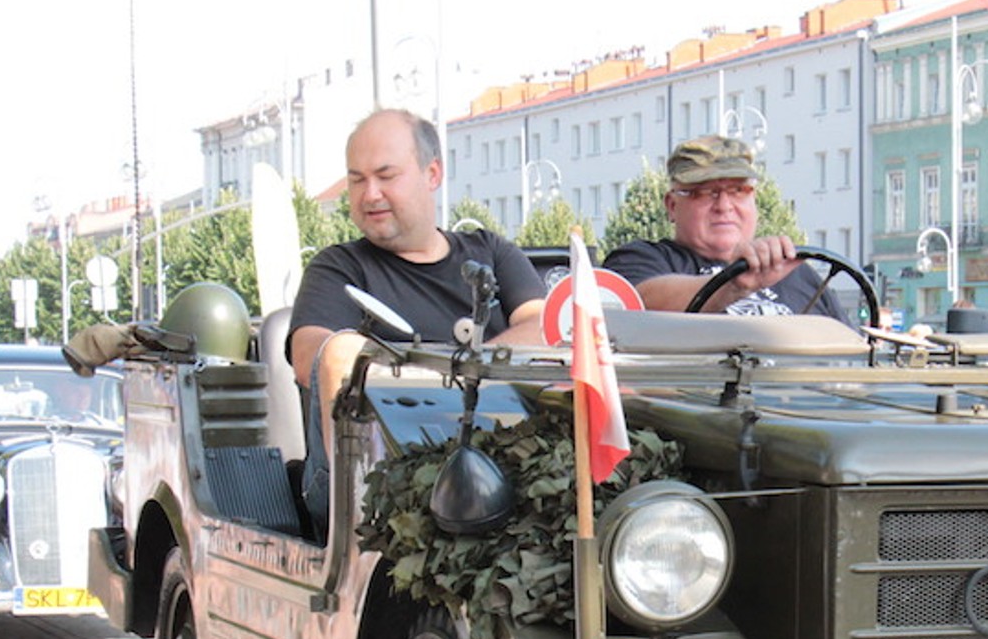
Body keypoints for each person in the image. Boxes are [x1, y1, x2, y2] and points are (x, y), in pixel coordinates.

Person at [288, 109, 546, 535]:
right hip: (373, 481)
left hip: (494, 465)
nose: (370, 194)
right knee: (342, 351)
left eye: (386, 176)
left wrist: (453, 372)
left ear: (432, 173)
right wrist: (459, 375)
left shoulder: (491, 252)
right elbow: (313, 356)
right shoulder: (337, 268)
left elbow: (543, 328)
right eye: (357, 180)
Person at [603, 135, 849, 322]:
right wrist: (733, 284)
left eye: (738, 191)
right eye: (705, 192)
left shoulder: (797, 273)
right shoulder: (640, 260)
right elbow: (638, 304)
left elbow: (851, 349)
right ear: (672, 205)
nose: (724, 206)